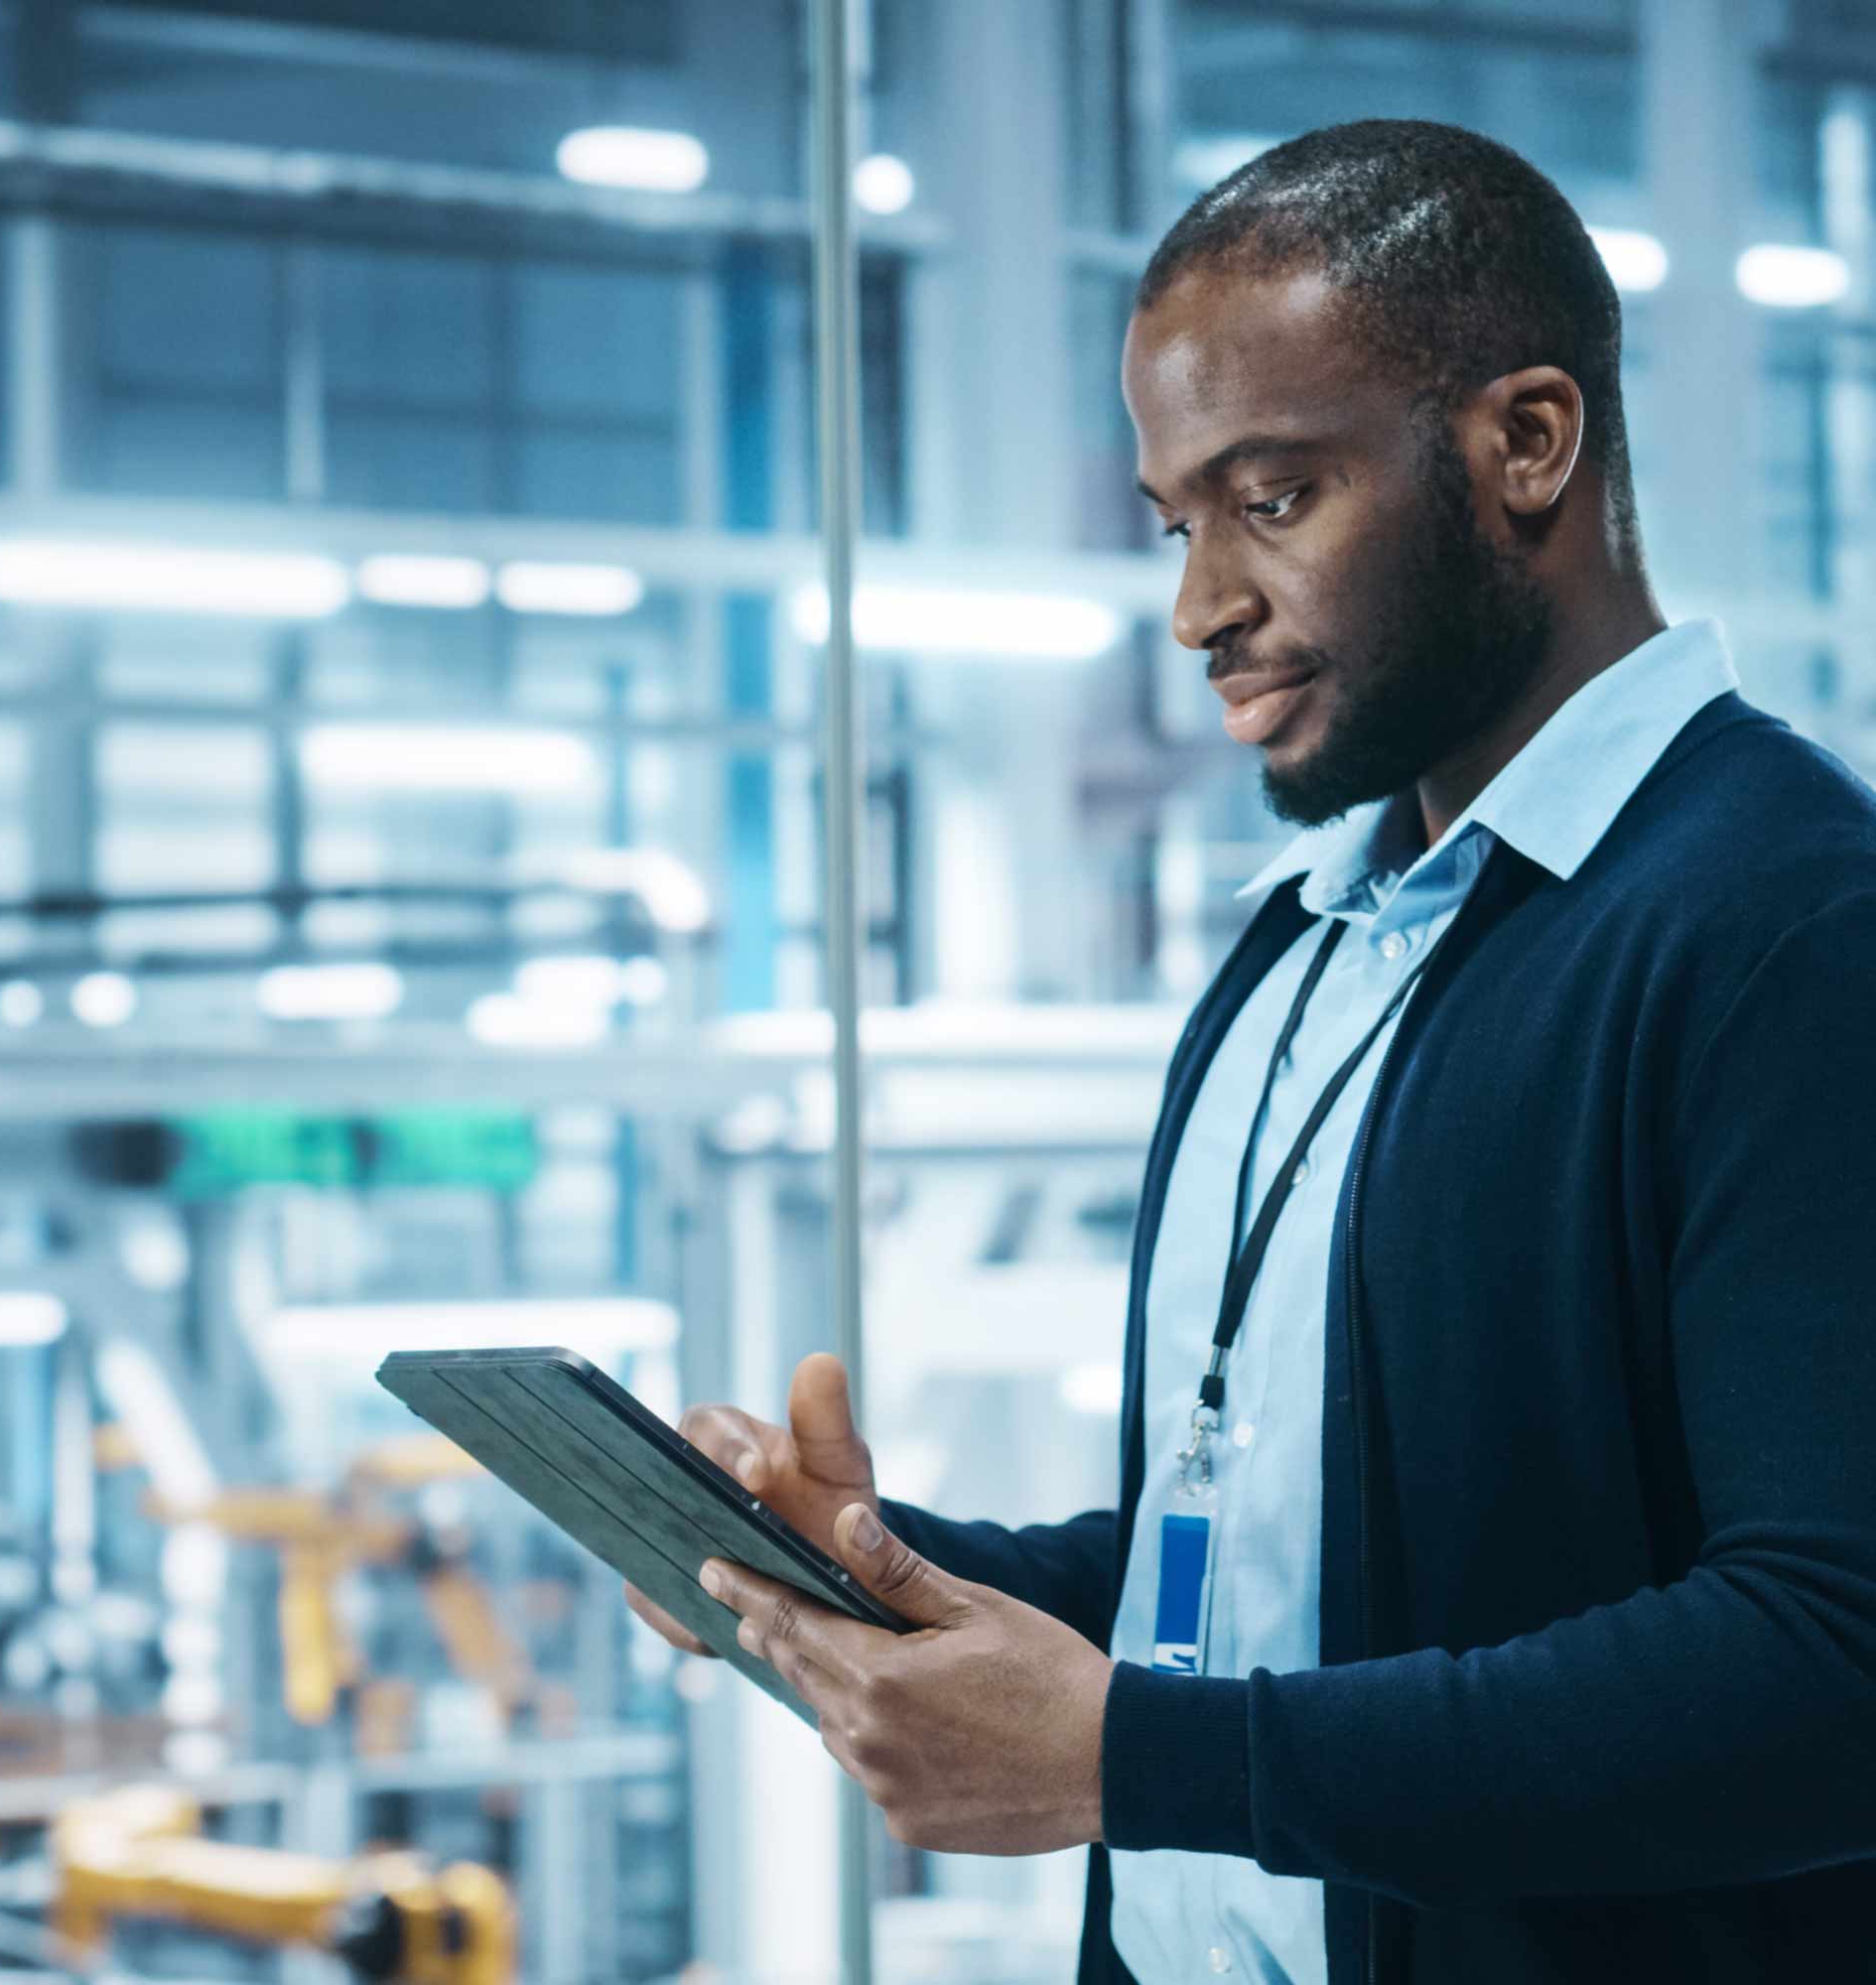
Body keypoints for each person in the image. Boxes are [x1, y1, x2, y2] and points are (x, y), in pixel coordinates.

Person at [631, 119, 1876, 1982]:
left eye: (1272, 498)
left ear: (1525, 445)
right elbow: (1277, 1543)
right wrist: (888, 1569)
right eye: (1178, 524)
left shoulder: (1791, 930)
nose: (1201, 607)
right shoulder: (1304, 954)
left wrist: (1144, 1759)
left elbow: (1830, 1664)